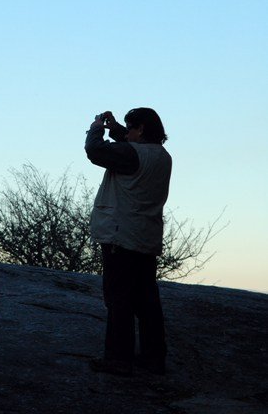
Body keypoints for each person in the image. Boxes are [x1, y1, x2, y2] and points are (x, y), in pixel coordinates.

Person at [85, 107, 172, 377]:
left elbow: (95, 151)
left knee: (119, 298)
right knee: (146, 300)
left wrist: (96, 128)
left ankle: (118, 359)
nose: (128, 132)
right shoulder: (163, 156)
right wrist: (117, 129)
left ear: (141, 129)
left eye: (131, 127)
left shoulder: (131, 154)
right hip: (146, 238)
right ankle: (153, 358)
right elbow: (132, 146)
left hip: (120, 236)